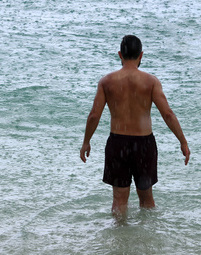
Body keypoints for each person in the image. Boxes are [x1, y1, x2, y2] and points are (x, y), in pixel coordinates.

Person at [79, 35, 190, 216]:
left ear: (120, 54)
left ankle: (119, 241)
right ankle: (146, 240)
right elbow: (167, 113)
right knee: (146, 198)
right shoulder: (151, 81)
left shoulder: (107, 82)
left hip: (118, 144)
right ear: (141, 55)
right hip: (144, 145)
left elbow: (94, 116)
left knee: (119, 200)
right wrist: (182, 141)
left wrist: (86, 142)